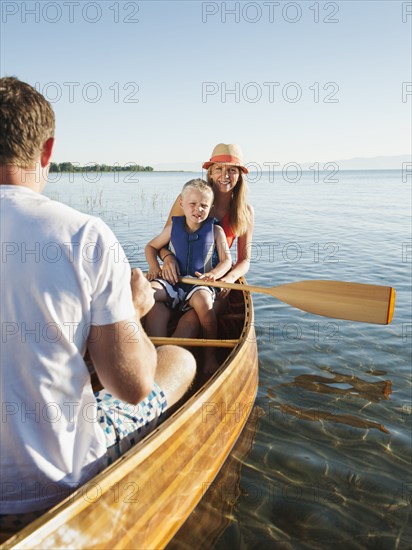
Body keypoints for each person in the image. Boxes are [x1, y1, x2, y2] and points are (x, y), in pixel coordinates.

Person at [0, 77, 196, 533]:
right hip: (54, 484)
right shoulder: (83, 235)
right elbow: (132, 386)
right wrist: (131, 313)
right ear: (47, 152)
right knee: (179, 359)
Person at [150, 143, 254, 338]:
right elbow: (163, 242)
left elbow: (244, 260)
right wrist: (168, 259)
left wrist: (227, 279)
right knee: (152, 306)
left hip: (213, 282)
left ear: (240, 175)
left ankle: (179, 357)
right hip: (178, 278)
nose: (225, 175)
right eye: (219, 169)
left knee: (190, 322)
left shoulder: (245, 212)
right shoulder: (191, 201)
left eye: (232, 170)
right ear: (211, 173)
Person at [145, 178, 232, 373]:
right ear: (182, 204)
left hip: (199, 285)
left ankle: (210, 356)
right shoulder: (171, 229)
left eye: (204, 205)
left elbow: (227, 260)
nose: (198, 209)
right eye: (192, 204)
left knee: (204, 301)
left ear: (211, 207)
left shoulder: (216, 231)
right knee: (146, 292)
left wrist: (213, 274)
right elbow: (151, 247)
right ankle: (148, 352)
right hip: (173, 282)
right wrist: (153, 266)